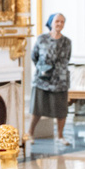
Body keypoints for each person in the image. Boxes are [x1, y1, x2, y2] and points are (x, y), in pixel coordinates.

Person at [29, 12, 72, 146]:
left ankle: (60, 136)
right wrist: (43, 68)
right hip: (43, 79)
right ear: (51, 23)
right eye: (57, 21)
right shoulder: (42, 39)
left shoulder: (67, 42)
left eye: (62, 21)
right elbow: (34, 56)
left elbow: (67, 58)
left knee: (61, 110)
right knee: (37, 108)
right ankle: (30, 133)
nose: (59, 24)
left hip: (60, 80)